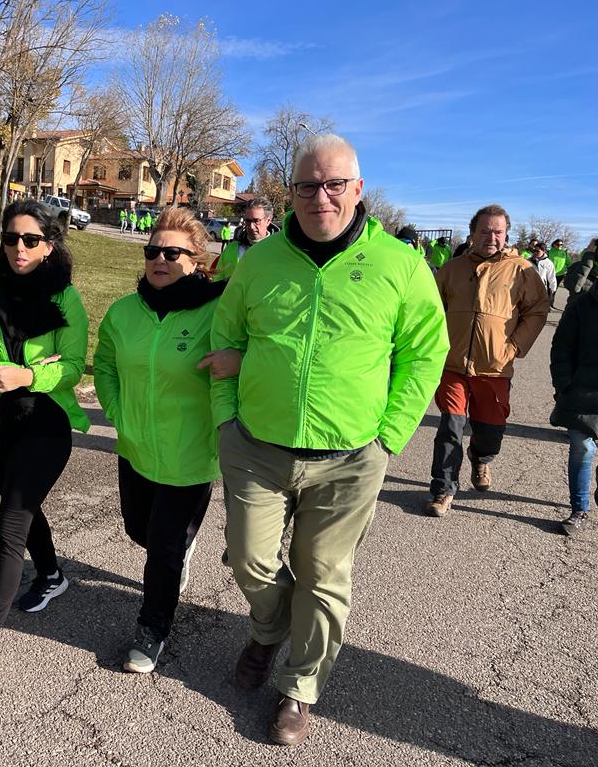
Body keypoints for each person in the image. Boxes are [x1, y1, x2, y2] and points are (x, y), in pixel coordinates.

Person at [210, 134, 448, 746]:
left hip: (350, 456)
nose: (322, 196)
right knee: (248, 559)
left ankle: (300, 686)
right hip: (257, 446)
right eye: (308, 185)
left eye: (335, 184)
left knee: (323, 571)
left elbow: (425, 353)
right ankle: (268, 629)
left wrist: (389, 438)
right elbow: (224, 340)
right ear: (291, 191)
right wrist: (225, 424)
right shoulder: (259, 261)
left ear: (358, 189)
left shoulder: (400, 263)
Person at [0, 199, 90, 673]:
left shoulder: (65, 300)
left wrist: (27, 378)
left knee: (11, 521)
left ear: (49, 246)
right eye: (11, 238)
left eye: (31, 240)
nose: (19, 248)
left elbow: (71, 368)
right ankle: (51, 574)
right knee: (23, 509)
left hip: (46, 422)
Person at [94, 206, 227, 674]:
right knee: (139, 532)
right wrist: (116, 409)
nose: (160, 259)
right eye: (153, 251)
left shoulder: (216, 311)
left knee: (164, 549)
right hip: (135, 447)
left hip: (190, 455)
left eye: (174, 252)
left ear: (197, 260)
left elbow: (237, 368)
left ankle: (152, 631)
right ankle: (181, 548)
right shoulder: (124, 312)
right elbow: (105, 364)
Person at [425, 205, 550, 516]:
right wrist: (436, 345)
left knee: (490, 431)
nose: (491, 237)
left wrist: (515, 347)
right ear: (472, 234)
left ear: (506, 235)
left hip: (494, 368)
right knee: (450, 427)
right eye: (485, 231)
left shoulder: (522, 270)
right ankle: (442, 489)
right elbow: (430, 310)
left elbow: (537, 310)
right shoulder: (452, 269)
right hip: (453, 365)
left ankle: (481, 459)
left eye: (498, 232)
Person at [550, 276, 598, 535]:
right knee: (582, 448)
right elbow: (562, 346)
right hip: (582, 394)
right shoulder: (582, 305)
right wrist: (564, 383)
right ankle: (579, 509)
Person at [211, 198, 273, 281]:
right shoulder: (231, 248)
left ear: (268, 221)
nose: (251, 226)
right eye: (248, 221)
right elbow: (217, 278)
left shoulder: (278, 250)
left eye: (256, 221)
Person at [563, 238, 598, 304]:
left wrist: (588, 257)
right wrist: (588, 260)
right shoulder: (579, 264)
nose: (586, 248)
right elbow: (572, 285)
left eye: (589, 246)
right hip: (575, 308)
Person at [529, 243, 558, 308]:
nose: (535, 253)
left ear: (544, 251)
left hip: (541, 289)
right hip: (529, 288)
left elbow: (552, 277)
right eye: (534, 251)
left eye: (538, 251)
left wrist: (552, 289)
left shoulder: (548, 263)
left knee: (538, 308)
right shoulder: (529, 261)